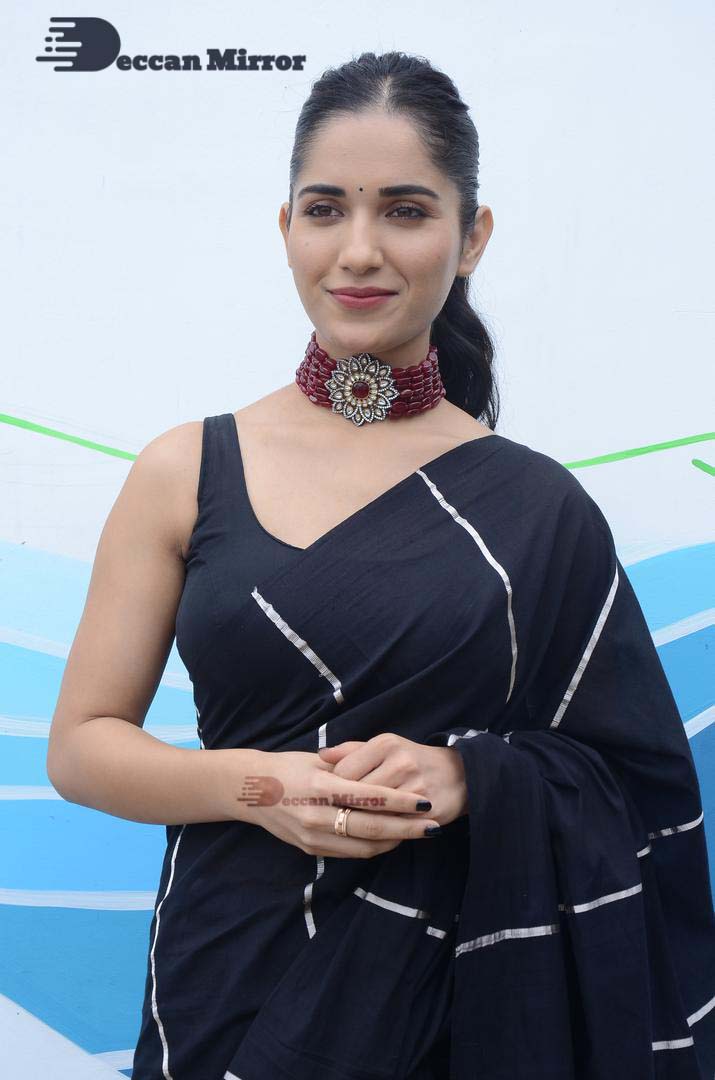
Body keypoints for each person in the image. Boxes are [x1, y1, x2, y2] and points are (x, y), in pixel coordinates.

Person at [46, 50, 715, 1080]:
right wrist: (262, 786)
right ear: (286, 228)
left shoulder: (538, 509)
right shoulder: (186, 470)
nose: (358, 251)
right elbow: (81, 748)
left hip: (458, 1008)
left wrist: (470, 778)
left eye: (404, 211)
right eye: (325, 210)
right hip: (224, 986)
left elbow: (636, 785)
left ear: (471, 235)